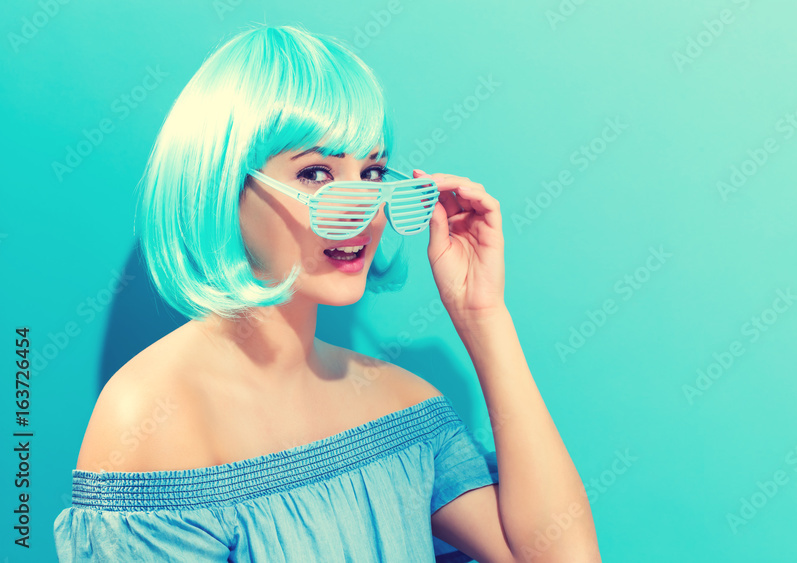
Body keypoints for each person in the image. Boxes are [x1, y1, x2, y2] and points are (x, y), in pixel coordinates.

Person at [52, 24, 600, 562]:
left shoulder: (403, 406)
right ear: (224, 185)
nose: (362, 210)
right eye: (316, 173)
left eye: (372, 172)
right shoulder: (152, 415)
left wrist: (483, 317)